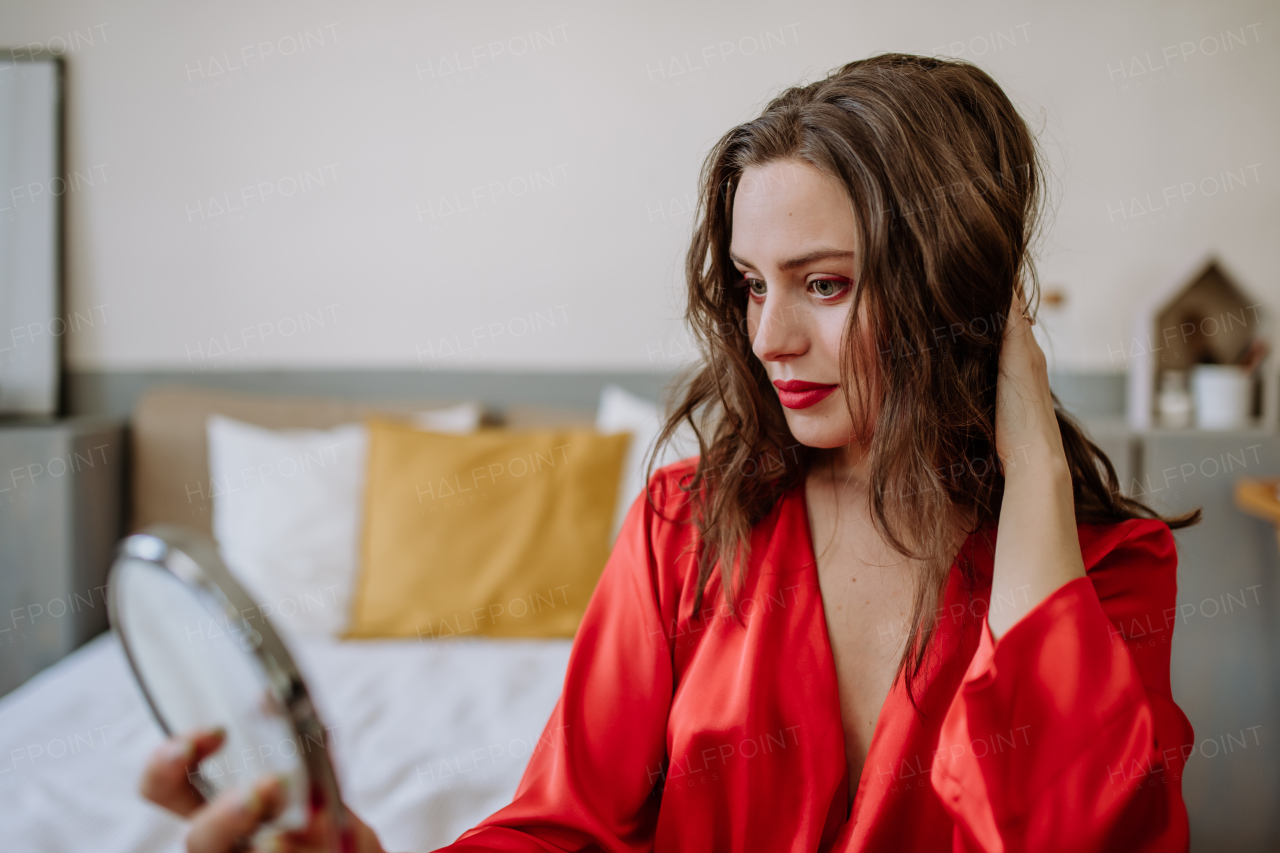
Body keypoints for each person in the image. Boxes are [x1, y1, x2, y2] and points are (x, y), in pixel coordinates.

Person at [139, 53, 1200, 852]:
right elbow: (562, 828)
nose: (768, 335)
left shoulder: (1109, 569)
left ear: (959, 292)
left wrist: (1037, 472)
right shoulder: (686, 530)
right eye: (749, 284)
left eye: (822, 283)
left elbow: (1074, 826)